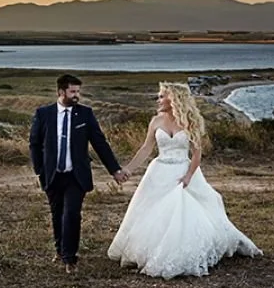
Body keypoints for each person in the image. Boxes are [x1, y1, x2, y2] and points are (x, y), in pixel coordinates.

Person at [108, 82, 261, 278]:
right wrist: (128, 169)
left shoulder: (191, 121)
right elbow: (146, 149)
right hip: (159, 171)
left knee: (185, 210)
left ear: (174, 99)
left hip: (182, 171)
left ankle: (185, 250)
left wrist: (188, 175)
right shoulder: (155, 121)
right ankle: (153, 249)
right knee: (153, 211)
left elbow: (197, 153)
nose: (158, 99)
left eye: (162, 96)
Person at [29, 74, 128, 274]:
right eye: (73, 91)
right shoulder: (44, 113)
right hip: (52, 174)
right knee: (57, 214)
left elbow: (100, 143)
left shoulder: (85, 114)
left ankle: (70, 258)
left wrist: (115, 170)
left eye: (78, 91)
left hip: (76, 176)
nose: (77, 95)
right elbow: (34, 144)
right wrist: (40, 170)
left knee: (72, 214)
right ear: (61, 92)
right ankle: (60, 249)